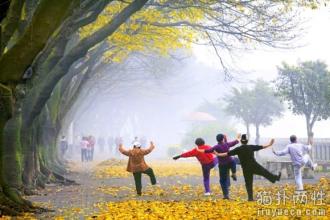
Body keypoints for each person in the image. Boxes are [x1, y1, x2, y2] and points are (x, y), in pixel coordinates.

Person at [214, 134, 281, 201]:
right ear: (247, 141)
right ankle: (275, 178)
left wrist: (218, 154)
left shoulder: (238, 149)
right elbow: (262, 147)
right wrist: (270, 144)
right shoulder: (250, 147)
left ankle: (250, 198)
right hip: (254, 165)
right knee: (264, 172)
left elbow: (226, 154)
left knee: (248, 183)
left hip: (246, 168)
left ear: (241, 141)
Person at [196, 134, 240, 199]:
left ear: (217, 140)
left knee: (222, 180)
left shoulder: (216, 147)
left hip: (223, 165)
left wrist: (198, 150)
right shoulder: (227, 144)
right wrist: (238, 137)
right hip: (230, 162)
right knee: (233, 161)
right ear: (223, 139)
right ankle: (233, 173)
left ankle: (226, 195)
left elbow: (208, 151)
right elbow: (236, 141)